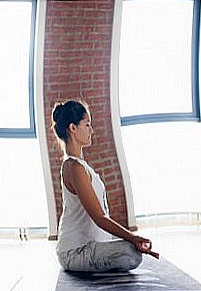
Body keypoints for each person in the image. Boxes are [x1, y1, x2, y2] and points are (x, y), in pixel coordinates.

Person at [52, 99, 160, 273]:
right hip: (74, 251)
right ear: (73, 128)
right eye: (87, 125)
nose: (91, 130)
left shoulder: (80, 165)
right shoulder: (74, 167)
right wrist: (133, 238)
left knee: (131, 251)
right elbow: (99, 217)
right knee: (132, 254)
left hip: (90, 246)